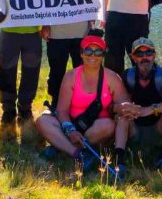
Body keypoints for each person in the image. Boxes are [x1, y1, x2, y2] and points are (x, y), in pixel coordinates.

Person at [35, 35, 129, 173]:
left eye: (98, 52)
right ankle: (78, 154)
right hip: (72, 125)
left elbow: (124, 105)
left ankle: (61, 146)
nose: (93, 55)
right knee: (42, 121)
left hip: (95, 129)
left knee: (109, 125)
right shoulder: (71, 76)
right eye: (88, 51)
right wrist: (70, 130)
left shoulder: (112, 78)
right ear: (81, 53)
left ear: (103, 55)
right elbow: (62, 111)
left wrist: (125, 107)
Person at [113, 38, 162, 171]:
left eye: (148, 53)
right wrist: (123, 107)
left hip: (159, 128)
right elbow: (112, 105)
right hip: (134, 129)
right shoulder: (127, 76)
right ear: (133, 58)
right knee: (122, 115)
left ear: (154, 55)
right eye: (139, 54)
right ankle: (119, 160)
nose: (144, 57)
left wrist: (151, 109)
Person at [42, 0, 97, 105]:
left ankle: (80, 103)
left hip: (81, 33)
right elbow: (43, 0)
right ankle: (57, 103)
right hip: (57, 34)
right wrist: (44, 25)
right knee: (56, 72)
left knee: (81, 71)